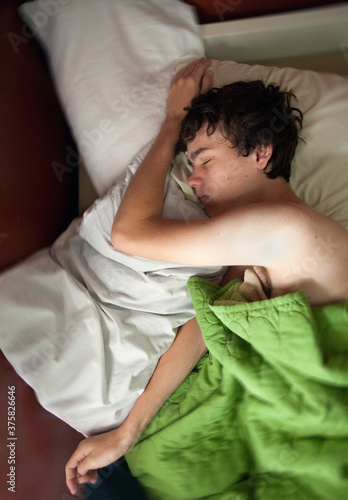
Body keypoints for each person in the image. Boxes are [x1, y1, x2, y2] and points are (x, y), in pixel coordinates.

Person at [65, 57, 348, 495]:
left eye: (204, 160)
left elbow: (128, 233)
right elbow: (204, 329)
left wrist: (171, 124)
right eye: (189, 162)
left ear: (261, 150)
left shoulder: (285, 229)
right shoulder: (260, 245)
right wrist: (128, 431)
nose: (193, 179)